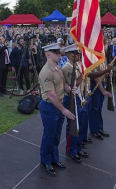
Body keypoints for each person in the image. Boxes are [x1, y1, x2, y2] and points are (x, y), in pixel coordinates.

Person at [38, 43, 75, 177]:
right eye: (56, 53)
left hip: (58, 105)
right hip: (50, 106)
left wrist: (69, 89)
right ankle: (45, 161)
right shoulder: (46, 71)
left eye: (59, 53)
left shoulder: (57, 68)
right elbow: (51, 95)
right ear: (48, 54)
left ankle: (54, 158)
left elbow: (62, 83)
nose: (59, 55)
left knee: (56, 134)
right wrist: (63, 110)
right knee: (49, 135)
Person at [61, 44, 88, 164]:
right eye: (75, 54)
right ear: (68, 55)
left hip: (79, 96)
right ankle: (71, 150)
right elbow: (74, 84)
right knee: (73, 125)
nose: (78, 55)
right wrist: (83, 74)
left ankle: (78, 147)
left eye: (78, 53)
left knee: (80, 124)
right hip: (71, 98)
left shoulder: (75, 65)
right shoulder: (67, 67)